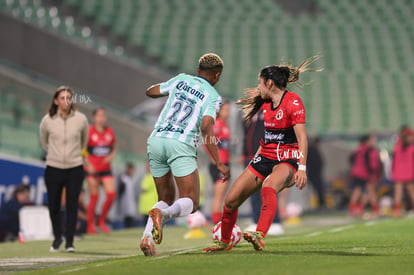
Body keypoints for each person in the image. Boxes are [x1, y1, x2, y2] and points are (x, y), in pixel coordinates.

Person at [203, 55, 321, 252]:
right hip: (264, 155)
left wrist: (302, 168)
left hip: (287, 158)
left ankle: (259, 234)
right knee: (231, 200)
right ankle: (224, 243)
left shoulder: (293, 102)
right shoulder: (264, 103)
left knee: (269, 186)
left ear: (269, 82)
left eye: (260, 83)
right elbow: (268, 136)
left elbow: (302, 138)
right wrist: (255, 160)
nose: (258, 87)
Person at [140, 53, 230, 256]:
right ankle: (163, 215)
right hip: (180, 143)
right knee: (191, 200)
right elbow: (206, 127)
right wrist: (218, 162)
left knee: (165, 196)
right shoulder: (213, 97)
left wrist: (172, 90)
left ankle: (147, 238)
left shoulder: (180, 79)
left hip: (156, 140)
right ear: (217, 76)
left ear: (198, 70)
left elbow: (151, 92)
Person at [40, 86, 89, 252]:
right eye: (62, 98)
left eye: (69, 97)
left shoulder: (81, 119)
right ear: (56, 101)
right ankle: (57, 237)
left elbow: (84, 141)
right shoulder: (48, 120)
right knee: (53, 205)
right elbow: (44, 141)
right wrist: (55, 155)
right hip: (53, 168)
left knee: (72, 205)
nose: (66, 101)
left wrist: (74, 156)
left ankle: (69, 241)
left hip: (75, 167)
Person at [239, 110, 284, 235]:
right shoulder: (250, 115)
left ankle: (275, 222)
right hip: (249, 156)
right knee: (252, 191)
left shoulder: (269, 113)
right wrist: (243, 154)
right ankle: (256, 220)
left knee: (269, 189)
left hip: (266, 156)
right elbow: (246, 135)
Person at [84, 107, 117, 234]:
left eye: (103, 116)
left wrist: (110, 156)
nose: (102, 118)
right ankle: (90, 225)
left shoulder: (109, 131)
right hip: (92, 169)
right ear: (94, 118)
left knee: (111, 195)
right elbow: (83, 149)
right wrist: (88, 164)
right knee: (94, 197)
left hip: (105, 169)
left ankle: (101, 221)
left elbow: (113, 148)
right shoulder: (89, 131)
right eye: (99, 116)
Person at [206, 100, 231, 225]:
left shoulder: (225, 125)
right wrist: (214, 158)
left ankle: (217, 222)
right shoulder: (217, 125)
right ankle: (217, 223)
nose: (228, 112)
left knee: (220, 196)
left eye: (228, 110)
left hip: (224, 163)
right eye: (225, 110)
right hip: (220, 165)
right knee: (219, 196)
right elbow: (208, 140)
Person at [349, 134, 381, 218]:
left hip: (357, 172)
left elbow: (351, 159)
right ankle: (374, 210)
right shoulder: (368, 150)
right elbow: (369, 163)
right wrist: (372, 174)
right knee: (369, 191)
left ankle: (355, 209)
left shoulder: (358, 149)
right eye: (371, 140)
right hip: (364, 173)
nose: (373, 142)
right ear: (367, 141)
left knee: (359, 191)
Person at [392, 126, 414, 217]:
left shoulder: (396, 147)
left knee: (398, 192)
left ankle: (396, 211)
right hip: (409, 172)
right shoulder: (411, 148)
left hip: (398, 172)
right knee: (411, 191)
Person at [307, 136, 326, 209]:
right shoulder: (311, 150)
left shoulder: (314, 150)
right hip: (313, 174)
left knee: (319, 189)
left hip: (316, 173)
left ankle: (321, 203)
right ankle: (319, 204)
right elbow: (313, 162)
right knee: (317, 189)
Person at [118, 162, 137, 228]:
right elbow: (120, 191)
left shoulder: (131, 178)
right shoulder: (123, 178)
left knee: (130, 217)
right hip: (125, 201)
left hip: (131, 201)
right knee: (126, 217)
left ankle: (129, 227)